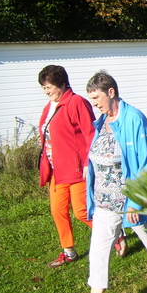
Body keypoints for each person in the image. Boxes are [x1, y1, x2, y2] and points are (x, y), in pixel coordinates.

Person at [67, 71, 147, 293]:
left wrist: (135, 201)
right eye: (91, 98)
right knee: (98, 251)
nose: (94, 103)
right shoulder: (102, 121)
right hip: (105, 202)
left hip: (131, 202)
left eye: (96, 97)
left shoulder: (134, 119)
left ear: (111, 92)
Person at [38, 65, 96, 268]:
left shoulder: (76, 102)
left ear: (62, 84)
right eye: (44, 88)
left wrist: (89, 162)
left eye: (50, 86)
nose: (47, 91)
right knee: (58, 211)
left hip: (77, 169)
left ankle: (114, 235)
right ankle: (68, 251)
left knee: (82, 212)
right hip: (56, 170)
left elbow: (91, 134)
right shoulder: (49, 107)